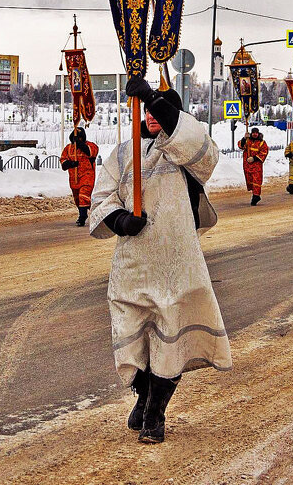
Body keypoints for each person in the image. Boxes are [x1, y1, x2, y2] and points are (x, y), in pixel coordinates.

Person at [89, 77, 230, 444]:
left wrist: (153, 96)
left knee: (171, 334)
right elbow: (102, 198)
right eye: (147, 110)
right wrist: (120, 220)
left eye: (159, 109)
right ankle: (144, 392)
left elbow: (201, 150)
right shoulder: (123, 153)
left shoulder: (188, 151)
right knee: (129, 330)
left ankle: (155, 413)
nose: (152, 116)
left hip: (177, 260)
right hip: (134, 262)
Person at [61, 127, 99, 226]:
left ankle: (82, 217)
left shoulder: (91, 145)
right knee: (77, 198)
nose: (77, 140)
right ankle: (84, 212)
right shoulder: (68, 148)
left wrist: (80, 144)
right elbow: (63, 162)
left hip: (87, 176)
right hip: (74, 179)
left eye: (79, 138)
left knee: (84, 195)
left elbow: (90, 152)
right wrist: (71, 163)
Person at [238, 126, 269, 206]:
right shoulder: (248, 141)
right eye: (253, 133)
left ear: (258, 134)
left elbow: (264, 152)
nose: (255, 134)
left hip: (256, 166)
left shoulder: (262, 143)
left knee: (256, 181)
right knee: (250, 181)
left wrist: (254, 158)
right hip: (247, 166)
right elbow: (241, 146)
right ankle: (254, 194)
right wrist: (244, 138)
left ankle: (256, 196)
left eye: (256, 133)